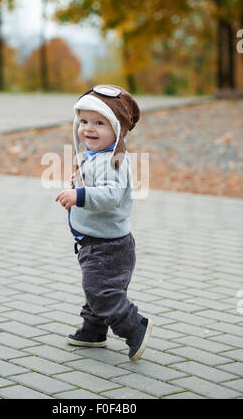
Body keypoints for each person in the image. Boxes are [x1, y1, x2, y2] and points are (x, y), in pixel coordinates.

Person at [55, 84, 153, 361]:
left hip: (107, 246)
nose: (89, 128)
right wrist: (79, 183)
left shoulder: (114, 160)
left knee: (100, 290)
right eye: (83, 121)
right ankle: (94, 330)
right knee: (98, 289)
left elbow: (110, 195)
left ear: (117, 129)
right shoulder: (94, 156)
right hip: (97, 241)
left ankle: (134, 326)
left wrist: (79, 195)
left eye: (99, 122)